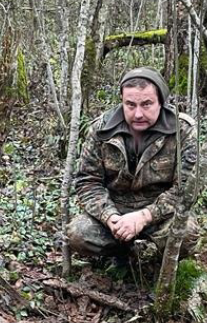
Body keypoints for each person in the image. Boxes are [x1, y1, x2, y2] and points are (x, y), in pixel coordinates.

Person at [66, 66, 199, 261]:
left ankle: (149, 255)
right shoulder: (101, 129)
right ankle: (124, 254)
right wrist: (110, 217)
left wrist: (144, 217)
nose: (138, 114)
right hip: (116, 212)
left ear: (161, 102)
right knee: (78, 234)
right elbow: (87, 181)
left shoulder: (183, 131)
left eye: (146, 104)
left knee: (185, 234)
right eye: (130, 105)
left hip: (160, 214)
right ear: (122, 101)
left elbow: (186, 188)